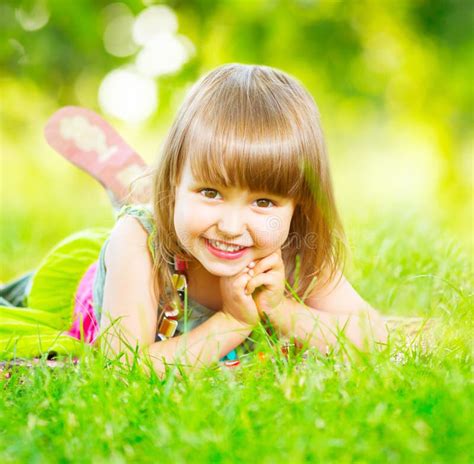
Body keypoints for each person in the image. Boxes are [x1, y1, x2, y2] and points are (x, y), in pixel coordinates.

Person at [0, 63, 388, 376]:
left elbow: (378, 340)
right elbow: (122, 369)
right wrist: (232, 322)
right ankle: (145, 197)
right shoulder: (138, 245)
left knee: (192, 222)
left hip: (177, 224)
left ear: (298, 206)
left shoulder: (297, 248)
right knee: (126, 238)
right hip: (93, 292)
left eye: (265, 202)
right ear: (174, 181)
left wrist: (283, 310)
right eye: (212, 192)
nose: (233, 226)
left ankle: (159, 192)